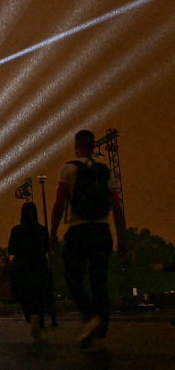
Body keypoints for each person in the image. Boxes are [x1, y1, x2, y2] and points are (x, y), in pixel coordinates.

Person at [50, 129, 127, 348]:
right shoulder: (105, 171)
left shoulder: (68, 169)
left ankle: (90, 316)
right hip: (102, 230)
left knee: (73, 277)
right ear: (93, 147)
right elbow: (117, 207)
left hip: (77, 229)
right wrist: (122, 240)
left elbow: (59, 203)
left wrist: (53, 232)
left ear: (76, 147)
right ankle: (101, 326)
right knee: (99, 280)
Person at [8, 202, 50, 342]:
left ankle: (30, 316)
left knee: (24, 295)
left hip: (22, 266)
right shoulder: (42, 230)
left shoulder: (16, 230)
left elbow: (11, 249)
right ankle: (37, 316)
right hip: (39, 265)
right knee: (38, 295)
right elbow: (46, 248)